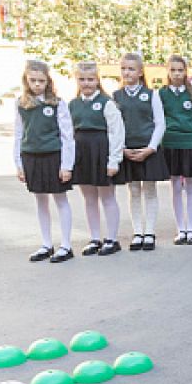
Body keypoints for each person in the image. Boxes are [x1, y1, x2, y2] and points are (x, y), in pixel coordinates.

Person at [14, 59, 76, 263]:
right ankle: (46, 244)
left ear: (48, 81)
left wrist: (66, 165)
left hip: (53, 156)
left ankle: (66, 245)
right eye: (33, 80)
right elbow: (18, 134)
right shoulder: (21, 104)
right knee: (40, 200)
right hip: (31, 155)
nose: (37, 84)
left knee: (60, 198)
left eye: (41, 81)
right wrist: (19, 163)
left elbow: (67, 136)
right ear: (26, 80)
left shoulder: (57, 104)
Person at [69, 62, 126, 257]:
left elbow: (117, 132)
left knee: (107, 197)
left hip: (101, 152)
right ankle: (95, 238)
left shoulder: (106, 103)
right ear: (77, 80)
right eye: (82, 79)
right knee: (89, 198)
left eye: (90, 79)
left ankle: (112, 239)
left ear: (97, 80)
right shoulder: (73, 104)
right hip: (82, 153)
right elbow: (68, 133)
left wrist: (114, 160)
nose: (86, 83)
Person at [114, 52, 167, 252]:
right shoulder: (116, 97)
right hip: (128, 150)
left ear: (140, 71)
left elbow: (160, 123)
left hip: (148, 149)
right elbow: (115, 126)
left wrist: (151, 148)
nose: (127, 72)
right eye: (124, 68)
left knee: (150, 190)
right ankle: (138, 232)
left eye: (131, 69)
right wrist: (123, 149)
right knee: (134, 190)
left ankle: (150, 232)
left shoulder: (151, 94)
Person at [159, 55, 192, 245]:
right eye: (173, 70)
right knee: (175, 187)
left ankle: (191, 229)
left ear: (185, 71)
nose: (177, 74)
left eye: (180, 70)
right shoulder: (161, 94)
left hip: (189, 143)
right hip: (171, 143)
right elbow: (159, 119)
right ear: (168, 72)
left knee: (191, 187)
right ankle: (180, 229)